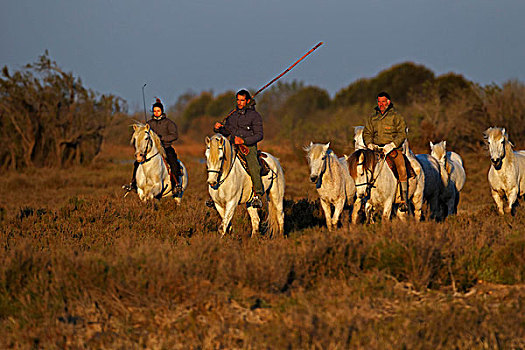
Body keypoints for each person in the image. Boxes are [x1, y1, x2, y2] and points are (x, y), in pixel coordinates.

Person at [212, 89, 264, 208]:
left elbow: (259, 135)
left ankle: (257, 195)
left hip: (248, 147)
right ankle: (214, 195)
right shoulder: (232, 114)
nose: (239, 102)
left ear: (247, 101)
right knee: (217, 163)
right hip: (232, 146)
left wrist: (244, 141)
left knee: (253, 165)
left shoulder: (255, 116)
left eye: (242, 100)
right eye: (238, 100)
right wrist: (219, 128)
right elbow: (227, 131)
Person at [123, 98, 182, 195]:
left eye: (158, 111)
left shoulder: (169, 123)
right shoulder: (149, 124)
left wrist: (162, 138)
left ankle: (177, 185)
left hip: (166, 147)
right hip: (151, 150)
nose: (156, 113)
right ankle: (133, 184)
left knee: (173, 162)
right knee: (136, 163)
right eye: (154, 111)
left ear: (162, 111)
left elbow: (174, 135)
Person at [362, 91, 410, 212]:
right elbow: (367, 133)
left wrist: (392, 145)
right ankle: (362, 196)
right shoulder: (373, 117)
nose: (381, 104)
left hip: (393, 149)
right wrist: (369, 144)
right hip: (376, 149)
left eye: (383, 101)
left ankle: (404, 200)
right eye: (379, 101)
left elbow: (402, 133)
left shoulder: (396, 116)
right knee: (362, 167)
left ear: (388, 102)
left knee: (402, 168)